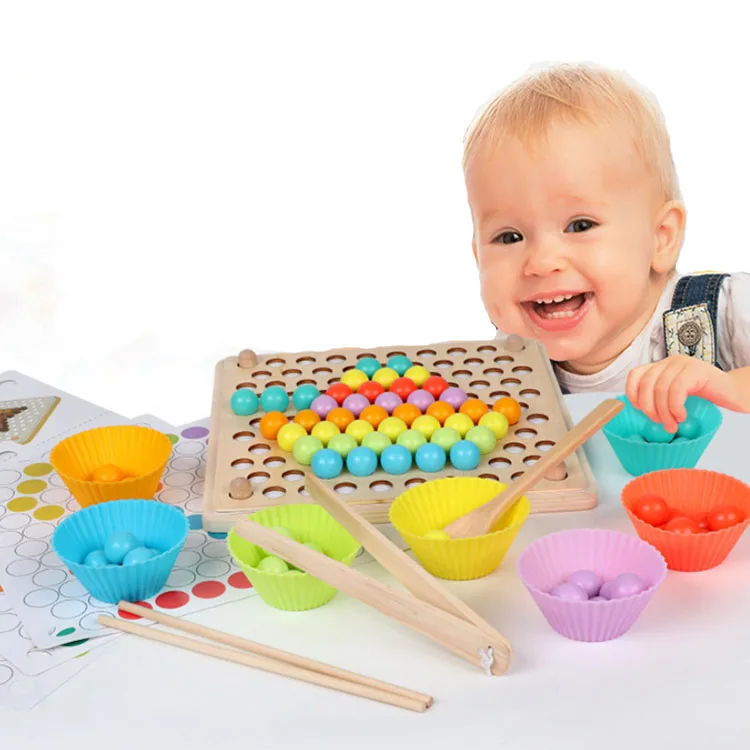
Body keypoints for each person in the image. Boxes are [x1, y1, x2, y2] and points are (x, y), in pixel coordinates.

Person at [462, 62, 750, 433]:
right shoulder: (507, 370)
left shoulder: (724, 310)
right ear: (477, 256)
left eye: (580, 226)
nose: (542, 261)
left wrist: (729, 389)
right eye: (509, 237)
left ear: (661, 237)